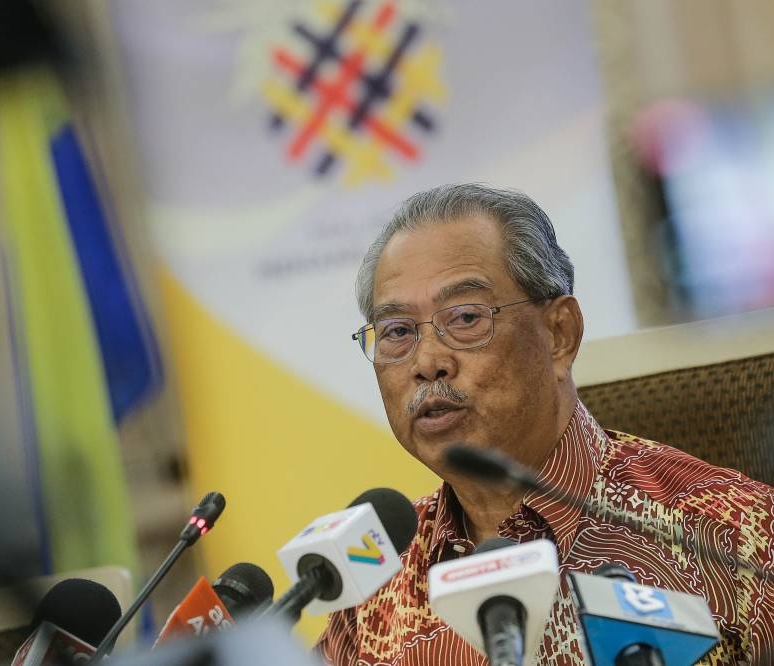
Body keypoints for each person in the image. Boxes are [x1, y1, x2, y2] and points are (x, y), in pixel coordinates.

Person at [317, 183, 774, 664]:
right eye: (397, 332)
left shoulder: (737, 535)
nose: (428, 361)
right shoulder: (371, 590)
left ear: (560, 333)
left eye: (466, 317)